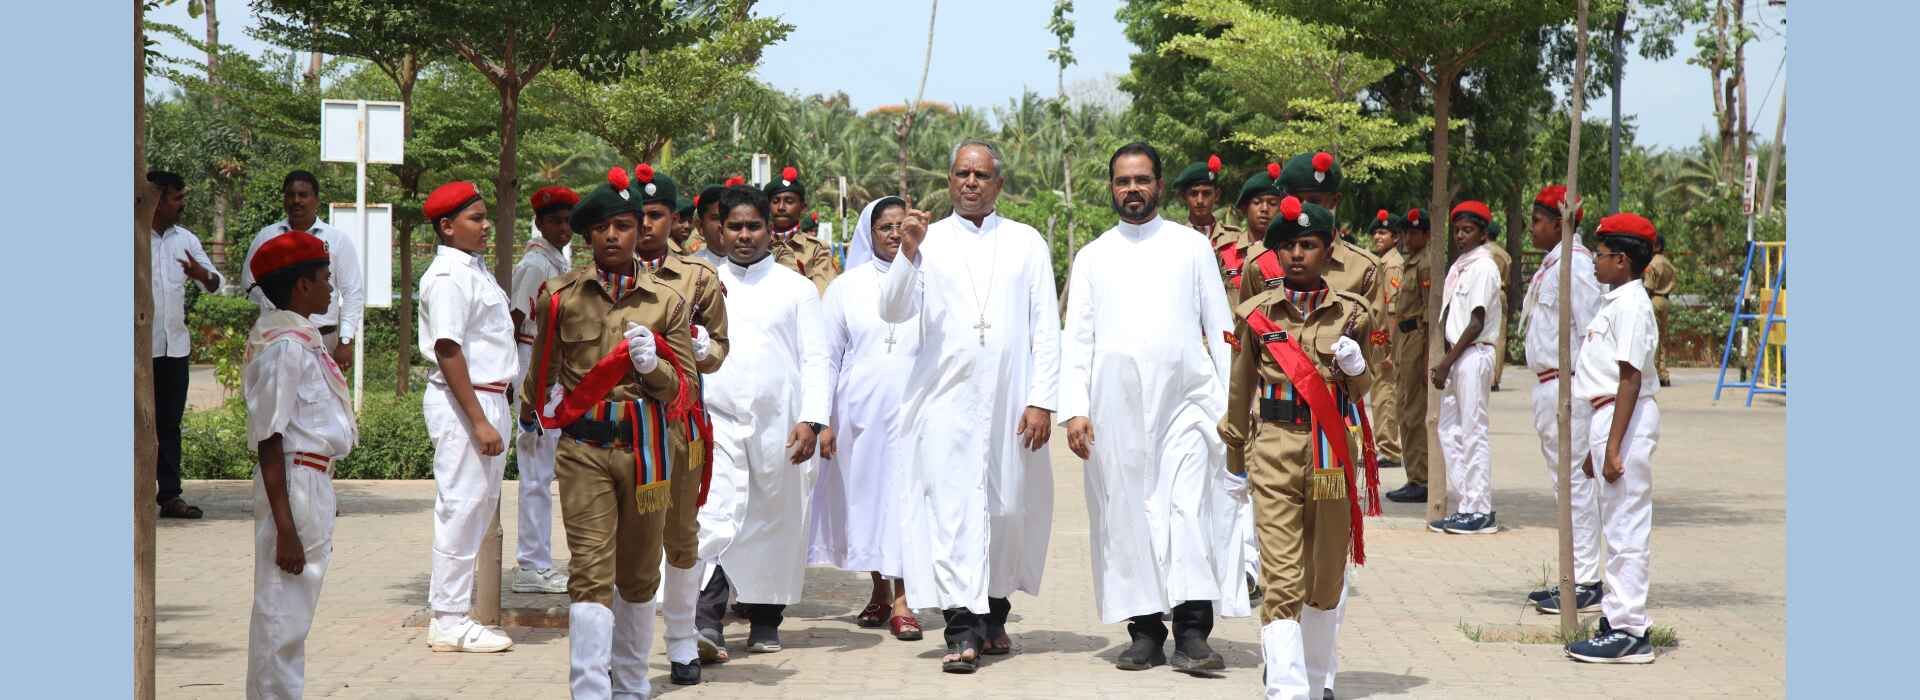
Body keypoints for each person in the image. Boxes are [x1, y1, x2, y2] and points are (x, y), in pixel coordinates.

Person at [1060, 143, 1245, 674]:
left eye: (1142, 179)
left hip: (1187, 404)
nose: (1133, 189)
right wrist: (1075, 409)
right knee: (1126, 517)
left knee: (1188, 510)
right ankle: (1144, 631)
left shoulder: (1191, 247)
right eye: (1123, 181)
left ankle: (1192, 632)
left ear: (1160, 186)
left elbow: (1221, 327)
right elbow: (1078, 338)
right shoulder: (1093, 255)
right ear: (1112, 188)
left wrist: (1233, 404)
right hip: (1114, 411)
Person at [879, 138, 1061, 674]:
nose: (971, 183)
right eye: (962, 174)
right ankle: (961, 628)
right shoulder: (926, 239)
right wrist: (907, 253)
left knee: (1007, 512)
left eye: (981, 175)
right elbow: (892, 310)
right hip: (945, 403)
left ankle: (994, 615)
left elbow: (1046, 329)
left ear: (998, 183)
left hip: (1011, 400)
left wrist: (1042, 400)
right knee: (951, 512)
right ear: (950, 181)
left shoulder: (1026, 242)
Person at [519, 167, 699, 696]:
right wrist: (537, 412)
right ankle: (590, 688)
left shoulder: (665, 300)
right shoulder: (561, 297)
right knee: (590, 572)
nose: (614, 236)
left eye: (624, 226)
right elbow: (541, 375)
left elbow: (685, 389)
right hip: (585, 450)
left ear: (638, 229)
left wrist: (653, 367)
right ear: (589, 236)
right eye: (602, 228)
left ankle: (632, 683)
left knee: (640, 574)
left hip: (647, 452)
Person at [1220, 196, 1375, 700]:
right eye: (1287, 246)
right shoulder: (1257, 316)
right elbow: (1240, 390)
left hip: (1330, 454)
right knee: (1282, 580)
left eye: (1307, 245)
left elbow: (1363, 388)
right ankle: (1286, 690)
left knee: (1325, 577)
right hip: (1275, 449)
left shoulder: (1352, 315)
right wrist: (1235, 460)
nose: (1296, 255)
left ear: (1328, 250)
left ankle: (1316, 679)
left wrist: (1355, 368)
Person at [694, 185, 830, 658]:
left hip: (781, 425)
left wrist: (812, 420)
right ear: (720, 230)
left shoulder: (796, 289)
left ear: (770, 231)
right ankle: (706, 620)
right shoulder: (703, 282)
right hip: (716, 422)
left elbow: (816, 358)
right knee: (713, 516)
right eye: (735, 226)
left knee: (774, 519)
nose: (744, 235)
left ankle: (766, 618)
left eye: (754, 226)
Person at [628, 165, 731, 686]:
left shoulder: (698, 277)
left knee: (682, 536)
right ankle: (628, 649)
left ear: (674, 219)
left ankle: (683, 639)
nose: (645, 225)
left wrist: (704, 348)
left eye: (656, 215)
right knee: (631, 541)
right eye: (638, 215)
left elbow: (718, 353)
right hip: (626, 426)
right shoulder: (608, 274)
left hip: (679, 425)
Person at [241, 231, 354, 700]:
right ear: (302, 285)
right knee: (281, 615)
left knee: (293, 614)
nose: (331, 288)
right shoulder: (284, 346)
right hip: (294, 481)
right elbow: (269, 438)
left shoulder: (300, 338)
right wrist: (286, 527)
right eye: (325, 278)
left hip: (310, 479)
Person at [808, 195, 926, 642]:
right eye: (885, 227)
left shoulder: (928, 278)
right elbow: (827, 356)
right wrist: (822, 420)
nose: (895, 234)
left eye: (901, 226)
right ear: (869, 233)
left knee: (906, 503)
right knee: (869, 504)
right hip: (860, 414)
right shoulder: (846, 287)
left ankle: (904, 601)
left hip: (916, 412)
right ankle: (879, 589)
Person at [416, 181, 518, 654]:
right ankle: (448, 618)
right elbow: (448, 349)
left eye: (485, 216)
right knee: (460, 505)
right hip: (466, 401)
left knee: (477, 507)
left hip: (488, 396)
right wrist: (478, 420)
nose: (485, 226)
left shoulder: (472, 269)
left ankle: (457, 612)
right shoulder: (448, 276)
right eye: (475, 218)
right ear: (446, 226)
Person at [1564, 212, 1663, 665]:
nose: (1594, 261)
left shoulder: (1632, 305)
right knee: (1616, 525)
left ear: (1621, 260)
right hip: (1609, 416)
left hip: (1624, 415)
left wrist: (1613, 447)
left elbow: (1629, 378)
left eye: (1600, 254)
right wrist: (1596, 447)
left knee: (1626, 528)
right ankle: (1617, 617)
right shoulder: (1616, 302)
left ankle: (1630, 630)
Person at [1518, 185, 1606, 614]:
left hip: (1569, 385)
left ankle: (1586, 579)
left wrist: (1585, 394)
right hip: (1548, 384)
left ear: (1560, 223)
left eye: (1537, 221)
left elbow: (1592, 334)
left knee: (1577, 487)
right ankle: (1573, 575)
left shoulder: (1577, 267)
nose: (1531, 228)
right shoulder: (1554, 265)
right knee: (1564, 488)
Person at [507, 185, 578, 596]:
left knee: (546, 468)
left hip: (553, 365)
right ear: (539, 222)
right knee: (535, 471)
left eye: (568, 221)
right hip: (533, 361)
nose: (564, 228)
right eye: (555, 221)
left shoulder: (556, 260)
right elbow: (515, 321)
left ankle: (540, 561)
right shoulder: (534, 264)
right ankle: (531, 564)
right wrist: (519, 383)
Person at [148, 170, 222, 520]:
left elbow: (215, 284)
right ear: (157, 199)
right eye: (177, 198)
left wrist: (202, 275)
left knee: (169, 424)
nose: (182, 205)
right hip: (138, 352)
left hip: (174, 348)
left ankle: (170, 496)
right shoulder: (132, 236)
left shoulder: (186, 240)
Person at [1428, 200, 1504, 535]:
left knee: (1474, 432)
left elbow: (1476, 322)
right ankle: (1467, 504)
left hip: (1473, 353)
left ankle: (1481, 509)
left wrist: (1446, 363)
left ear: (1483, 234)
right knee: (1449, 430)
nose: (1460, 235)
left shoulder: (1484, 267)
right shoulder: (1461, 266)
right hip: (1458, 356)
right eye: (1457, 230)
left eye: (1468, 230)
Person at [241, 170, 364, 372]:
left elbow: (353, 293)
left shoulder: (337, 240)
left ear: (316, 200)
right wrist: (279, 303)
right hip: (275, 338)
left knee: (321, 392)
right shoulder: (267, 237)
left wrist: (345, 340)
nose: (296, 201)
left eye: (303, 195)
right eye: (290, 195)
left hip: (324, 340)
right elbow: (249, 282)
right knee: (277, 390)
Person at [1385, 210, 1434, 504]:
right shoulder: (1411, 262)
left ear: (1427, 234)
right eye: (1405, 232)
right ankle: (1415, 475)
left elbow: (1429, 313)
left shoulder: (1426, 264)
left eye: (1414, 232)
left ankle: (1422, 478)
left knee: (1414, 412)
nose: (1407, 238)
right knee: (1405, 407)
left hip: (1418, 339)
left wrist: (1428, 356)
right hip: (1406, 339)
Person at [764, 165, 840, 294]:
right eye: (775, 201)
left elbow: (822, 295)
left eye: (789, 201)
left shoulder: (816, 249)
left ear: (803, 208)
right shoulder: (758, 245)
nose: (781, 207)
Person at [1365, 210, 1402, 472]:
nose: (1378, 237)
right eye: (1375, 233)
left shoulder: (1393, 265)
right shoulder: (1383, 262)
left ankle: (1389, 448)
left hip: (1386, 337)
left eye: (1383, 233)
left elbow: (1393, 307)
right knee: (1379, 393)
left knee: (1386, 393)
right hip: (1378, 336)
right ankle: (1383, 445)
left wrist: (1389, 347)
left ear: (1395, 237)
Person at [1219, 163, 1286, 306]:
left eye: (1272, 203)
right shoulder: (1226, 252)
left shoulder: (1288, 252)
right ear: (1245, 208)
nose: (1264, 209)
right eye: (1257, 202)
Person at [1171, 153, 1246, 262]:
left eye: (1206, 193)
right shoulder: (1175, 241)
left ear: (1217, 195)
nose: (1200, 200)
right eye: (1194, 194)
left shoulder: (1235, 238)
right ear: (1184, 197)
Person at [1644, 235, 1676, 387]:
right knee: (1663, 338)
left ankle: (1655, 372)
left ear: (1656, 246)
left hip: (1654, 300)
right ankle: (1663, 373)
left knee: (1654, 337)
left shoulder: (1653, 263)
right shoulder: (1668, 263)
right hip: (1666, 300)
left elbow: (1649, 285)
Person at [1486, 221, 1514, 392]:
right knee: (1500, 337)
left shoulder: (1481, 252)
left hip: (1483, 293)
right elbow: (1508, 280)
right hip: (1500, 293)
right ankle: (1495, 379)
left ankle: (1484, 375)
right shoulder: (1505, 255)